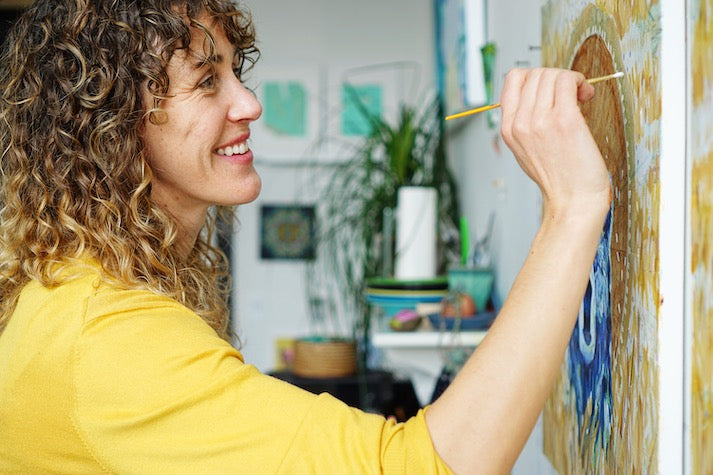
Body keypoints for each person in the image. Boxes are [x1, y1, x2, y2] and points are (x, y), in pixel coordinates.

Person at [0, 1, 610, 473]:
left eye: (235, 72)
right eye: (207, 81)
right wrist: (573, 208)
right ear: (111, 122)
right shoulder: (106, 341)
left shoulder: (75, 293)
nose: (250, 104)